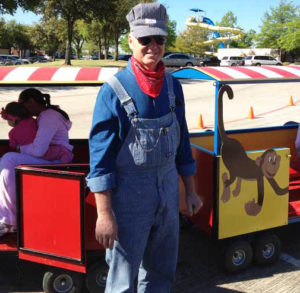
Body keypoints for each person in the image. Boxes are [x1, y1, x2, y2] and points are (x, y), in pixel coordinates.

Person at [86, 3, 202, 292]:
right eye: (145, 39)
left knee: (162, 271)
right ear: (130, 41)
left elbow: (183, 143)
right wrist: (105, 214)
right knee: (123, 278)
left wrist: (190, 190)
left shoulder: (174, 87)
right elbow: (101, 160)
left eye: (159, 39)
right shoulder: (113, 90)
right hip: (129, 201)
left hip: (168, 194)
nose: (153, 46)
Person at [0, 88, 73, 237]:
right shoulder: (45, 116)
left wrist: (20, 148)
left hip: (56, 161)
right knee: (8, 159)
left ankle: (9, 220)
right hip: (51, 158)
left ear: (31, 102)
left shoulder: (48, 117)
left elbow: (39, 150)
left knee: (9, 159)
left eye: (22, 105)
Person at [1, 102, 73, 163]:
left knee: (7, 159)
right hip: (50, 154)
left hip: (41, 156)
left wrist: (20, 148)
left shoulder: (12, 133)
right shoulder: (33, 121)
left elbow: (14, 146)